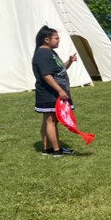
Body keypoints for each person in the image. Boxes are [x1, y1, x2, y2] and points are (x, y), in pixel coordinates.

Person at [32, 25, 79, 156]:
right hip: (49, 94)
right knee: (50, 121)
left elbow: (59, 69)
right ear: (47, 39)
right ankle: (56, 150)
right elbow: (46, 75)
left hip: (54, 93)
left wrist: (69, 62)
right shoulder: (42, 54)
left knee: (50, 120)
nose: (59, 40)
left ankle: (47, 148)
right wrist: (60, 91)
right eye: (56, 38)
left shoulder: (50, 53)